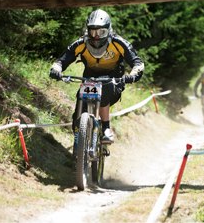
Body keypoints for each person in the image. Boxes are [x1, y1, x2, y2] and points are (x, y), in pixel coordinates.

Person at [49, 9, 144, 143]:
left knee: (104, 89)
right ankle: (79, 146)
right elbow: (62, 59)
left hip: (113, 79)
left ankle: (106, 128)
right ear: (87, 31)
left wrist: (133, 75)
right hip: (89, 78)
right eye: (92, 31)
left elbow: (137, 62)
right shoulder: (81, 43)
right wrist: (56, 69)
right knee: (77, 117)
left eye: (101, 32)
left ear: (108, 30)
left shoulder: (118, 43)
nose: (96, 36)